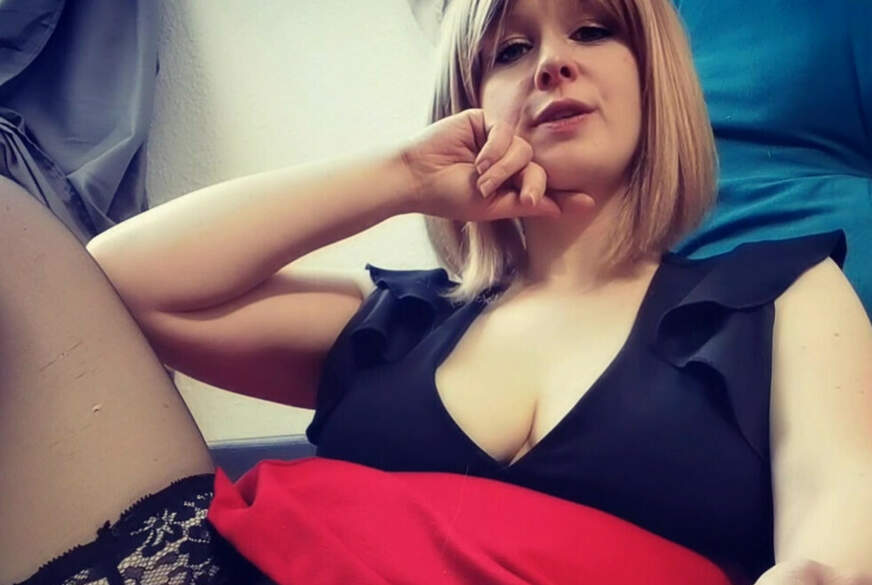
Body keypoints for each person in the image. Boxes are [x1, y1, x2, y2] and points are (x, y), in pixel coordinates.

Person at [1, 0, 869, 584]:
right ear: (471, 98)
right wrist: (404, 175)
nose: (552, 64)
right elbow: (110, 284)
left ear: (656, 77)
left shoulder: (779, 298)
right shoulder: (399, 322)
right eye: (510, 50)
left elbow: (835, 544)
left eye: (593, 29)